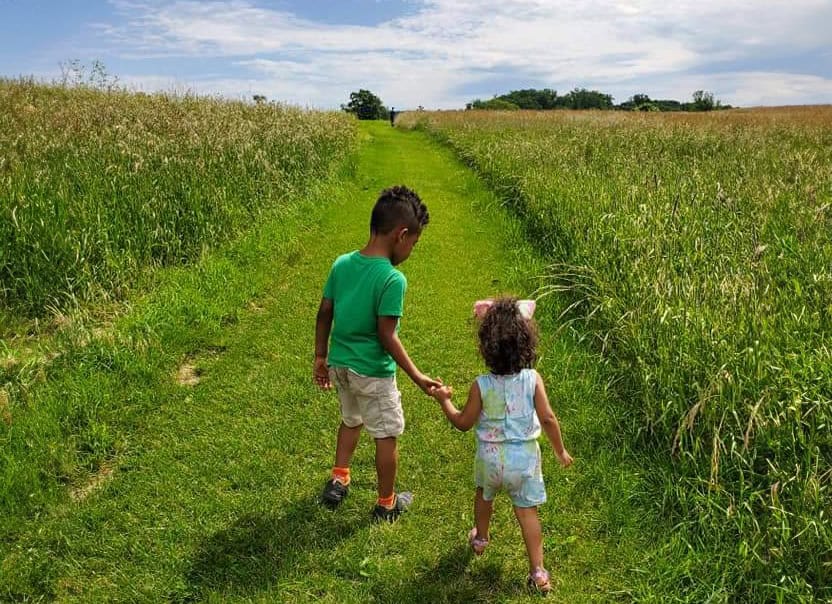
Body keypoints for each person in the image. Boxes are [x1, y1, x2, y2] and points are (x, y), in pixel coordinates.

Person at [428, 297, 573, 593]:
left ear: (487, 347)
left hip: (490, 460)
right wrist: (559, 450)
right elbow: (547, 417)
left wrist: (444, 400)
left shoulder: (481, 385)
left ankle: (480, 538)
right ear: (526, 343)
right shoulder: (533, 380)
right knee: (527, 513)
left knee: (484, 495)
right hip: (525, 463)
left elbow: (463, 422)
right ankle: (538, 572)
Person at [314, 185, 441, 522]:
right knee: (386, 434)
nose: (412, 250)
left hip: (340, 365)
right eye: (414, 243)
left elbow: (324, 311)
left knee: (351, 420)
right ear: (401, 235)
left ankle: (339, 478)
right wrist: (417, 376)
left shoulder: (341, 264)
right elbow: (387, 336)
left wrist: (320, 356)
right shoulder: (391, 279)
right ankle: (386, 503)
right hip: (372, 372)